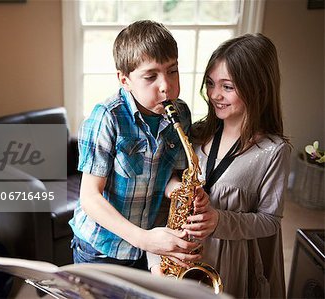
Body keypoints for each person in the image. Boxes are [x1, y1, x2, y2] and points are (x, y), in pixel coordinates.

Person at [149, 33, 291, 298]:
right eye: (211, 83)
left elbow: (270, 221)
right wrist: (157, 261)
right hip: (180, 259)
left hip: (229, 266)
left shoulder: (274, 151)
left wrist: (219, 221)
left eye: (228, 87)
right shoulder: (194, 133)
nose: (214, 95)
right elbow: (165, 192)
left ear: (257, 87)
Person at [69, 20, 213, 270]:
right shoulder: (107, 117)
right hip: (99, 248)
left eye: (172, 70)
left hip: (144, 248)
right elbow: (90, 196)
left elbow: (171, 175)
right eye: (151, 76)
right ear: (124, 80)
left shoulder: (181, 114)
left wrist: (180, 192)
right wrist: (143, 238)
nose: (166, 86)